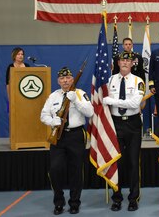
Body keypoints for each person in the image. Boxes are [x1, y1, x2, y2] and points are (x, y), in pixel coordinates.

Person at [40, 67, 94, 215]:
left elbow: (90, 112)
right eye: (62, 78)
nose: (65, 81)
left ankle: (74, 203)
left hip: (76, 135)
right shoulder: (53, 96)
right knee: (55, 169)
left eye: (68, 78)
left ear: (72, 79)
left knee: (76, 170)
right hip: (58, 136)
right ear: (58, 81)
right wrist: (53, 121)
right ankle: (59, 201)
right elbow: (43, 115)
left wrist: (76, 101)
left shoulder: (80, 94)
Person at [103, 51, 145, 212]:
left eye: (128, 61)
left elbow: (135, 104)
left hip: (133, 125)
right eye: (122, 60)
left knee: (134, 163)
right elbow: (103, 101)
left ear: (133, 63)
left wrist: (112, 100)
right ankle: (117, 197)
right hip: (115, 124)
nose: (125, 63)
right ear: (118, 63)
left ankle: (133, 198)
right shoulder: (110, 80)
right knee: (116, 162)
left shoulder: (138, 81)